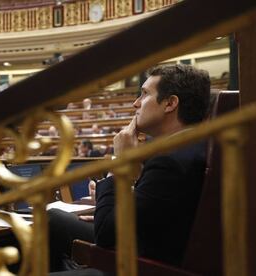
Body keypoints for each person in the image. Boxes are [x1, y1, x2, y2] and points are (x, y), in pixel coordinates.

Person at [49, 64, 210, 274]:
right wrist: (116, 203)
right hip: (151, 243)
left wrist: (120, 163)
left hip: (145, 264)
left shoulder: (170, 161)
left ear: (170, 103)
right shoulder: (195, 146)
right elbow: (158, 205)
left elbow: (105, 235)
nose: (136, 104)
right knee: (55, 218)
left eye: (144, 95)